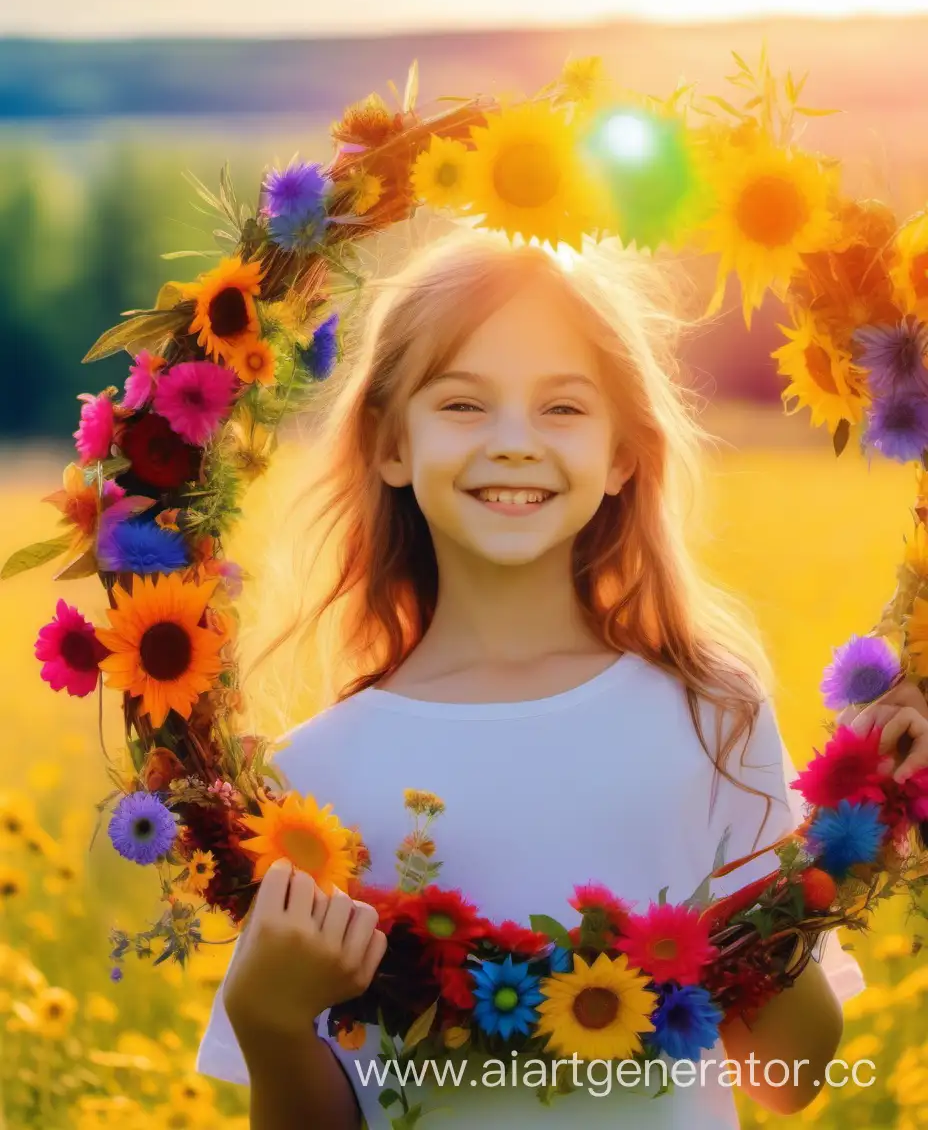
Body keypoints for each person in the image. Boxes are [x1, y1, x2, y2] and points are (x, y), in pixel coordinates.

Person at [195, 228, 881, 1129]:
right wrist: (269, 1021)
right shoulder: (310, 786)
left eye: (563, 408)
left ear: (623, 455)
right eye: (464, 405)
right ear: (389, 445)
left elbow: (787, 1079)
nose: (515, 443)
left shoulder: (710, 716)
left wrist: (821, 862)